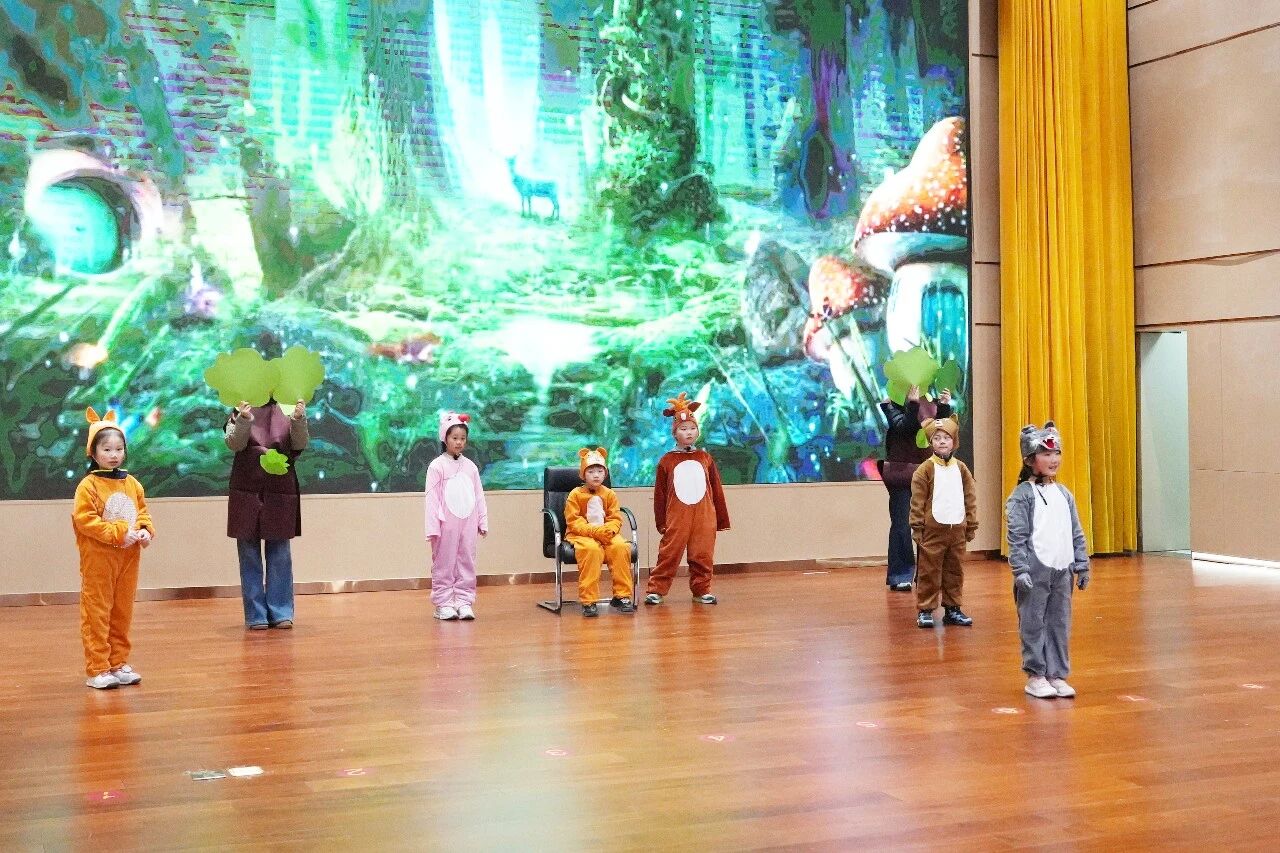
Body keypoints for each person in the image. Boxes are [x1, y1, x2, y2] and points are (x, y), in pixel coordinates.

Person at [1007, 422, 1091, 699]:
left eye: (1057, 453)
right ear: (1030, 459)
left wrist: (1082, 563)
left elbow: (1075, 531)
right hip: (1035, 571)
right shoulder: (1022, 496)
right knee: (1033, 622)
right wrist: (1020, 569)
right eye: (1046, 454)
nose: (1054, 459)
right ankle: (1036, 674)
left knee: (1059, 622)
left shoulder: (1064, 494)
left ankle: (1057, 674)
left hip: (1062, 570)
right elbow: (1017, 536)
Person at [72, 407, 155, 689]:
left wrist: (144, 531)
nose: (114, 455)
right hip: (98, 560)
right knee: (97, 612)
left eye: (119, 449)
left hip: (128, 560)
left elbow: (141, 512)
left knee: (122, 611)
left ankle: (118, 663)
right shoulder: (88, 486)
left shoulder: (132, 484)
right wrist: (119, 533)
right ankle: (98, 668)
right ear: (93, 453)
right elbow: (85, 521)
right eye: (106, 449)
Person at [225, 397, 308, 629]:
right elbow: (234, 443)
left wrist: (299, 419)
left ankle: (281, 612)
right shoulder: (241, 404)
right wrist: (243, 418)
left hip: (280, 487)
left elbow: (300, 443)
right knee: (248, 551)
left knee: (280, 551)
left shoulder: (289, 404)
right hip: (246, 487)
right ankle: (256, 615)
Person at [644, 392, 730, 606]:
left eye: (692, 428)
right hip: (677, 516)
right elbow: (660, 494)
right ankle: (656, 590)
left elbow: (716, 489)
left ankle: (701, 590)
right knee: (669, 553)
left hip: (704, 515)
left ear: (698, 431)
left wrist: (720, 518)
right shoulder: (667, 461)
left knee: (702, 553)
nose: (688, 432)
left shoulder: (705, 458)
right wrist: (661, 521)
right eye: (683, 429)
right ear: (675, 433)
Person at [879, 387, 952, 591]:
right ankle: (900, 575)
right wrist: (912, 404)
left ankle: (927, 575)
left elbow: (938, 432)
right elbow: (904, 428)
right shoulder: (891, 402)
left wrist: (943, 407)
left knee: (928, 526)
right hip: (901, 473)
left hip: (927, 472)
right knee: (902, 524)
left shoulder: (930, 401)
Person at [909, 417, 977, 628]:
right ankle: (925, 609)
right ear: (931, 442)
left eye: (946, 438)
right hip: (932, 531)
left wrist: (971, 523)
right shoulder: (925, 470)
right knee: (929, 571)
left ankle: (953, 609)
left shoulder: (962, 469)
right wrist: (917, 526)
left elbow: (970, 497)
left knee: (954, 571)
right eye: (937, 438)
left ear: (954, 441)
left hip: (957, 530)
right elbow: (917, 501)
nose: (942, 441)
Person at [425, 411, 488, 620]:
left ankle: (464, 601)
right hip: (446, 525)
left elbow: (478, 495)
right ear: (445, 438)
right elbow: (432, 499)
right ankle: (443, 603)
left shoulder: (470, 467)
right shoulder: (437, 466)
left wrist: (482, 520)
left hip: (468, 522)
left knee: (466, 560)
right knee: (444, 562)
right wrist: (432, 527)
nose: (459, 442)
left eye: (462, 438)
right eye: (454, 438)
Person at [563, 447, 635, 617]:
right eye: (591, 471)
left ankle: (622, 596)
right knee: (592, 550)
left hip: (606, 534)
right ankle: (589, 600)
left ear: (605, 474)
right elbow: (574, 521)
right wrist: (595, 532)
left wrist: (610, 530)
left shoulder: (609, 494)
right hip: (582, 536)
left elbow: (615, 518)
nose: (596, 475)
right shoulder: (575, 495)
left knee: (620, 547)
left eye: (600, 471)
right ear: (583, 474)